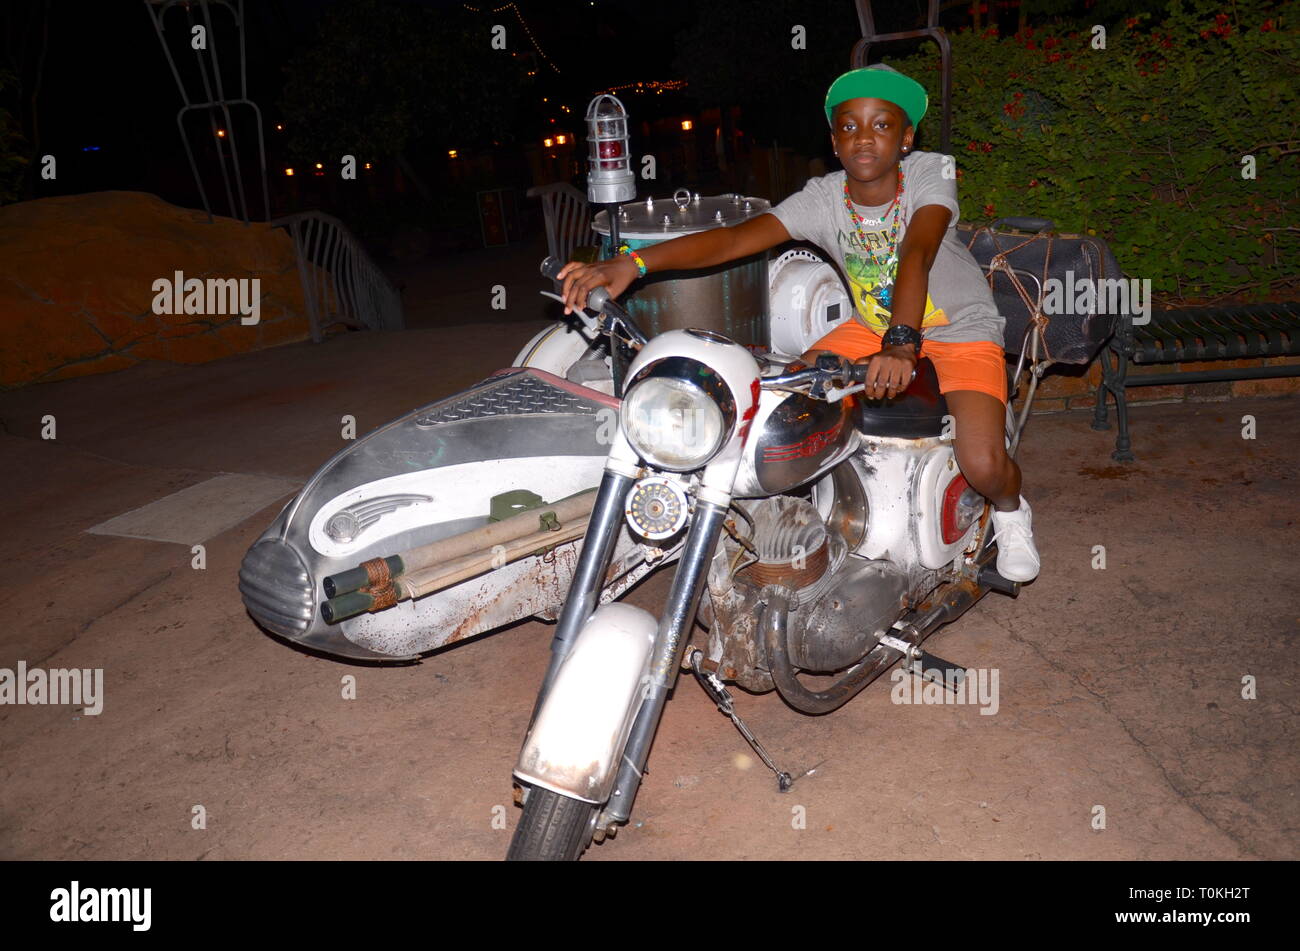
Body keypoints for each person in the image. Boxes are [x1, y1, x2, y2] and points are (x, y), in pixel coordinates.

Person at [555, 64, 1039, 583]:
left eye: (881, 125)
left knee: (983, 463)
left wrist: (902, 342)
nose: (865, 137)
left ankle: (1012, 514)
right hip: (871, 326)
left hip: (958, 328)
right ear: (835, 141)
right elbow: (736, 239)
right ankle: (802, 517)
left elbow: (916, 250)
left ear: (906, 138)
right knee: (780, 403)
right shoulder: (823, 198)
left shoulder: (930, 172)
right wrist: (632, 263)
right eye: (850, 126)